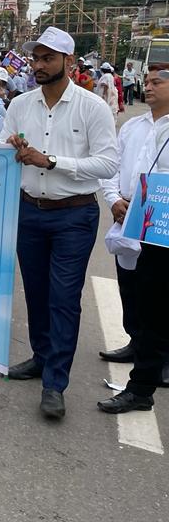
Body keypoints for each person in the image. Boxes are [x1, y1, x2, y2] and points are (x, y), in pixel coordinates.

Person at [0, 27, 118, 420]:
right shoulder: (20, 104)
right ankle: (41, 357)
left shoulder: (92, 107)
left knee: (63, 298)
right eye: (35, 58)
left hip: (74, 214)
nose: (38, 65)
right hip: (29, 211)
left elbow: (107, 164)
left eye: (47, 58)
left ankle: (55, 383)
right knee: (36, 292)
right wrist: (12, 149)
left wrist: (51, 161)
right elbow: (1, 147)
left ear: (68, 61)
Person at [98, 64, 169, 413]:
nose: (149, 86)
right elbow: (110, 167)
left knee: (156, 302)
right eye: (148, 81)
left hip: (160, 228)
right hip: (127, 217)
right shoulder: (132, 127)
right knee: (130, 288)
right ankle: (136, 343)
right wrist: (114, 200)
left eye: (158, 82)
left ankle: (144, 384)